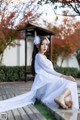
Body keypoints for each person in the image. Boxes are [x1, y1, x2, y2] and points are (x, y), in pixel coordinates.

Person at [0, 36, 79, 113]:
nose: (45, 46)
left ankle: (64, 100)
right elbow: (48, 70)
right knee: (71, 82)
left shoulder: (44, 57)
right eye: (42, 44)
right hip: (43, 84)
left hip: (49, 81)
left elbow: (51, 71)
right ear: (38, 46)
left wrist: (64, 77)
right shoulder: (38, 56)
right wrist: (65, 76)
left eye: (46, 44)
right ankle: (61, 98)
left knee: (70, 86)